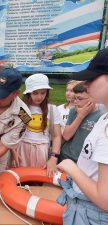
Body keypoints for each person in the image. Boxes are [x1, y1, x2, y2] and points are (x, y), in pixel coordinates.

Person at [57, 48, 108, 224]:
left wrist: (72, 168)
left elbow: (105, 199)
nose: (86, 85)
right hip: (83, 206)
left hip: (93, 214)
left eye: (92, 78)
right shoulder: (104, 118)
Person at [14, 73, 62, 176]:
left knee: (40, 181)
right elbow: (15, 132)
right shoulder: (22, 108)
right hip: (22, 148)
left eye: (43, 93)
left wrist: (54, 157)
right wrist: (14, 152)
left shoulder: (52, 109)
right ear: (28, 93)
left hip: (43, 150)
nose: (39, 97)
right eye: (35, 93)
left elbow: (57, 136)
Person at [58, 82, 104, 163]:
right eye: (75, 98)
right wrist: (80, 116)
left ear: (93, 98)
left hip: (85, 162)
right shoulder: (74, 111)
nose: (75, 102)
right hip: (65, 156)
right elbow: (66, 136)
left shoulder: (101, 116)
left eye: (80, 99)